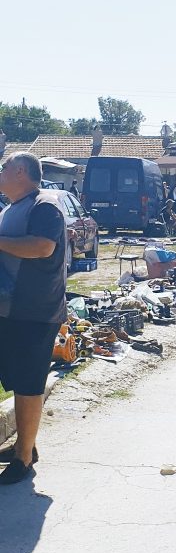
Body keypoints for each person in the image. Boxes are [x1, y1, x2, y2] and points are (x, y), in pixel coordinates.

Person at [0, 153, 68, 485]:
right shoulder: (12, 208)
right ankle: (26, 445)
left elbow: (42, 247)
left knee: (28, 383)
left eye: (3, 168)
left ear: (21, 172)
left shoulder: (44, 205)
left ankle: (23, 459)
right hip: (11, 310)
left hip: (34, 311)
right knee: (15, 378)